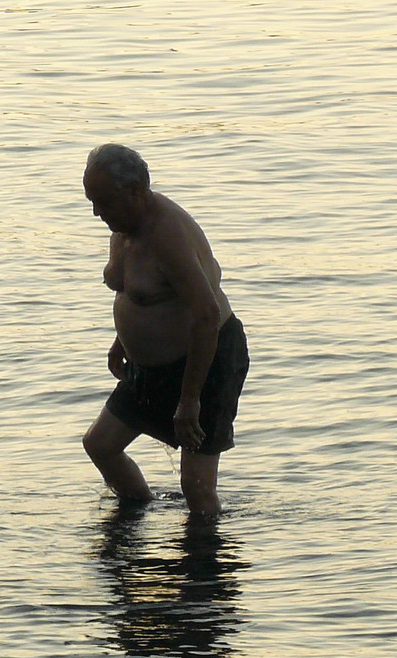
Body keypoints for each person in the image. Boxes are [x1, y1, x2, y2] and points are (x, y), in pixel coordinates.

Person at [80, 144, 248, 518]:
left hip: (206, 360)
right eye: (91, 201)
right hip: (150, 369)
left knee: (197, 488)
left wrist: (190, 401)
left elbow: (205, 315)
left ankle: (205, 567)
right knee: (100, 445)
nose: (96, 213)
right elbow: (144, 296)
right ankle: (136, 515)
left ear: (135, 192)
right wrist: (123, 340)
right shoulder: (124, 226)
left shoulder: (167, 235)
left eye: (103, 202)